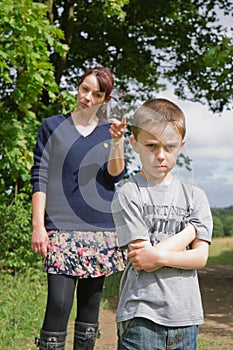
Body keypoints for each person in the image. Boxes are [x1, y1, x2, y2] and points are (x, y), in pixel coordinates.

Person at [31, 66, 127, 350]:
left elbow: (114, 175)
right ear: (78, 86)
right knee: (58, 305)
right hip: (59, 228)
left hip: (99, 231)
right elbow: (40, 177)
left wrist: (118, 142)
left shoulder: (108, 130)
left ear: (104, 99)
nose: (87, 97)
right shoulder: (52, 126)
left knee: (89, 312)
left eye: (96, 94)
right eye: (85, 89)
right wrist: (38, 226)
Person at [112, 98, 213, 350]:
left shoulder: (195, 196)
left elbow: (200, 258)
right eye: (151, 145)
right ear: (134, 144)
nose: (160, 155)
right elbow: (143, 260)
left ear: (181, 146)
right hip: (141, 318)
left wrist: (157, 254)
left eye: (170, 146)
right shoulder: (128, 193)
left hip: (186, 318)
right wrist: (190, 231)